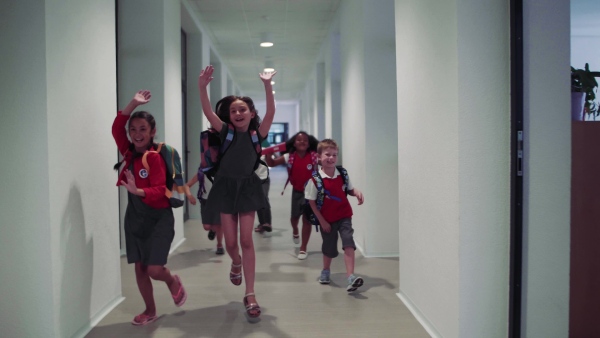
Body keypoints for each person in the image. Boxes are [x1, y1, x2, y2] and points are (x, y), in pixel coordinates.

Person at [198, 65, 276, 320]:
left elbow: (271, 113)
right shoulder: (226, 132)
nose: (238, 113)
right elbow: (209, 112)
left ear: (251, 113)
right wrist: (201, 87)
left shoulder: (257, 135)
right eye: (233, 110)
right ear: (229, 116)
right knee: (231, 244)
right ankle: (235, 262)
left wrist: (267, 85)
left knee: (246, 241)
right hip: (224, 187)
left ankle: (250, 293)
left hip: (247, 187)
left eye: (243, 109)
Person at [112, 90, 187, 326]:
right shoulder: (128, 151)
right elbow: (116, 128)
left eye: (142, 129)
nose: (137, 134)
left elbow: (157, 192)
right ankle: (150, 310)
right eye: (133, 129)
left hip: (159, 219)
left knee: (155, 269)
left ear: (152, 132)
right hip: (134, 219)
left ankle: (172, 281)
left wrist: (138, 191)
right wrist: (133, 103)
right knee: (141, 269)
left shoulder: (154, 157)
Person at [304, 139, 365, 292]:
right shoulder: (315, 180)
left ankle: (350, 276)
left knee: (348, 242)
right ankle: (326, 270)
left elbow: (349, 189)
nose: (331, 158)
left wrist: (355, 192)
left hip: (344, 215)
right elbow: (311, 202)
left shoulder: (342, 173)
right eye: (327, 155)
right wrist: (322, 221)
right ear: (319, 157)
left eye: (334, 155)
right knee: (329, 248)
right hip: (327, 219)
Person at [265, 131, 319, 260]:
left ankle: (303, 248)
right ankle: (295, 230)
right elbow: (271, 163)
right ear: (294, 143)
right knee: (294, 218)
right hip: (297, 192)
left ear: (308, 143)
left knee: (307, 220)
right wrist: (268, 154)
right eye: (299, 140)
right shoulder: (289, 156)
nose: (302, 142)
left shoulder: (314, 157)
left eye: (305, 140)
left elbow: (326, 164)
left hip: (311, 193)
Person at [185, 174, 224, 255]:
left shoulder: (222, 171)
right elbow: (187, 185)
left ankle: (219, 245)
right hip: (205, 202)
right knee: (206, 227)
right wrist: (189, 196)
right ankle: (212, 229)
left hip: (219, 200)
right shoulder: (201, 173)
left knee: (219, 225)